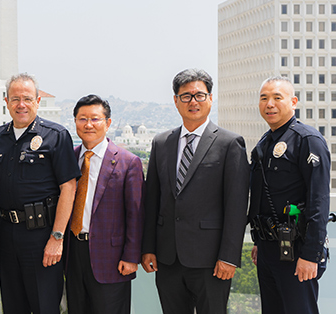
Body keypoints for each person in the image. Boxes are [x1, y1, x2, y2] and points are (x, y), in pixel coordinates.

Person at [141, 68, 249, 314]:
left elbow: (236, 205)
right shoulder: (161, 142)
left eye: (199, 95)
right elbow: (152, 199)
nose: (193, 102)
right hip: (168, 257)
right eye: (186, 96)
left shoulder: (230, 144)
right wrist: (148, 247)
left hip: (211, 260)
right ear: (176, 101)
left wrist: (229, 256)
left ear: (210, 98)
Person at [0, 73, 79, 314]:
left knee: (44, 306)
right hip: (6, 235)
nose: (21, 105)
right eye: (15, 99)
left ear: (37, 101)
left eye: (27, 98)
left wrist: (57, 238)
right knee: (12, 306)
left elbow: (68, 187)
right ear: (6, 102)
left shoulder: (55, 136)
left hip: (41, 237)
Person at [249, 76, 329, 314]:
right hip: (268, 249)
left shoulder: (307, 140)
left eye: (277, 98)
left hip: (297, 251)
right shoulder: (265, 142)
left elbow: (319, 202)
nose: (269, 104)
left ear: (293, 101)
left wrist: (311, 255)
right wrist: (259, 242)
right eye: (264, 98)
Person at [65, 95, 144, 314]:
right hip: (74, 253)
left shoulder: (128, 162)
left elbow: (135, 214)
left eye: (95, 119)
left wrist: (131, 257)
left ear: (108, 123)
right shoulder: (69, 159)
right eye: (82, 119)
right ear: (75, 122)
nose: (88, 124)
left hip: (112, 258)